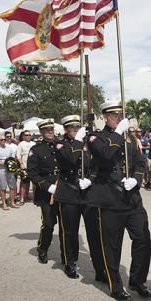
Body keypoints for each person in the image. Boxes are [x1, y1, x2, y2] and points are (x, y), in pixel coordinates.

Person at [87, 100, 151, 301]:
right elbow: (106, 156)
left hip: (131, 198)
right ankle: (115, 285)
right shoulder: (95, 137)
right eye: (114, 116)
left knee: (142, 239)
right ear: (105, 117)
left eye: (119, 115)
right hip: (109, 199)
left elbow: (141, 162)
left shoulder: (130, 138)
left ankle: (137, 280)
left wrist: (137, 178)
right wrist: (118, 134)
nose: (118, 118)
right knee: (112, 246)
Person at [54, 115, 104, 280]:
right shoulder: (60, 144)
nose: (75, 130)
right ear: (65, 129)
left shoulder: (87, 143)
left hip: (87, 192)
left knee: (94, 232)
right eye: (72, 128)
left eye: (77, 127)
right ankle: (71, 263)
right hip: (69, 191)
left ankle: (99, 268)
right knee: (70, 232)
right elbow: (70, 158)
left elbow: (98, 165)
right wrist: (78, 141)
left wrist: (91, 179)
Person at [27, 119, 61, 264]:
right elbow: (32, 173)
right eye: (46, 129)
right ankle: (42, 249)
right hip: (46, 192)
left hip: (64, 190)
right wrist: (48, 187)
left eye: (51, 129)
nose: (50, 131)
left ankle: (67, 254)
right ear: (41, 132)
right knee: (48, 223)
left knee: (67, 226)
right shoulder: (36, 149)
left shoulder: (62, 145)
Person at [0, 134, 20, 210]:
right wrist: (4, 163)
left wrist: (13, 165)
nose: (3, 141)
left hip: (10, 170)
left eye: (4, 139)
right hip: (1, 170)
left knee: (12, 186)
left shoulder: (9, 148)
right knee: (2, 188)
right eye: (1, 140)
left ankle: (12, 202)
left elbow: (13, 158)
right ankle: (4, 204)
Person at [16, 130, 35, 203]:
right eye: (26, 135)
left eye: (29, 135)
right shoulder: (21, 144)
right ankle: (22, 198)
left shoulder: (33, 143)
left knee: (34, 183)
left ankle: (33, 197)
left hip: (33, 166)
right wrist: (21, 163)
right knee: (24, 183)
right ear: (23, 136)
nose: (28, 136)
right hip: (24, 165)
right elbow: (18, 155)